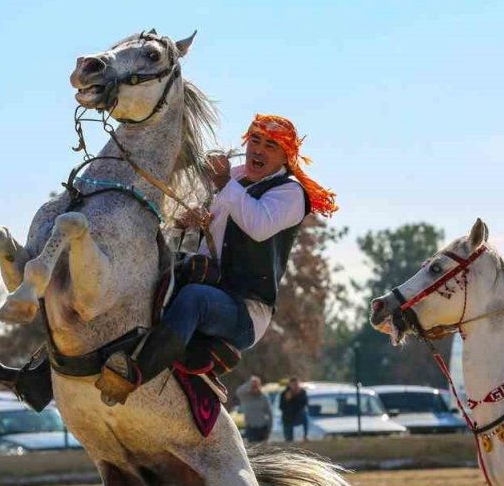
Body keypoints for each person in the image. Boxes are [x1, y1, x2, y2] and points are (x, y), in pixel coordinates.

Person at [96, 114, 338, 405]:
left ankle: (132, 375)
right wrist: (190, 220)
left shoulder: (290, 192)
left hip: (246, 311)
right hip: (212, 283)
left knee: (195, 299)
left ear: (286, 156)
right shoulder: (233, 179)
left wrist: (224, 184)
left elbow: (258, 225)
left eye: (270, 145)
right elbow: (211, 233)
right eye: (255, 141)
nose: (258, 150)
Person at [236, 376, 273, 443]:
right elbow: (238, 391)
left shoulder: (264, 397)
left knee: (262, 450)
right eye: (253, 386)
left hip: (263, 428)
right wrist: (249, 383)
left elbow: (270, 414)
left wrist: (269, 429)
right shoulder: (245, 397)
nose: (255, 388)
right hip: (251, 429)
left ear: (259, 386)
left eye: (256, 385)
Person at [280, 377, 310, 442]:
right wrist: (287, 400)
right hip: (288, 418)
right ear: (290, 385)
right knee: (289, 439)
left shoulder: (302, 393)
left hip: (298, 416)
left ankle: (305, 436)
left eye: (297, 384)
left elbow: (304, 404)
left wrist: (297, 396)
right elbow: (281, 407)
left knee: (304, 415)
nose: (296, 386)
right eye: (294, 384)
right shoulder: (284, 394)